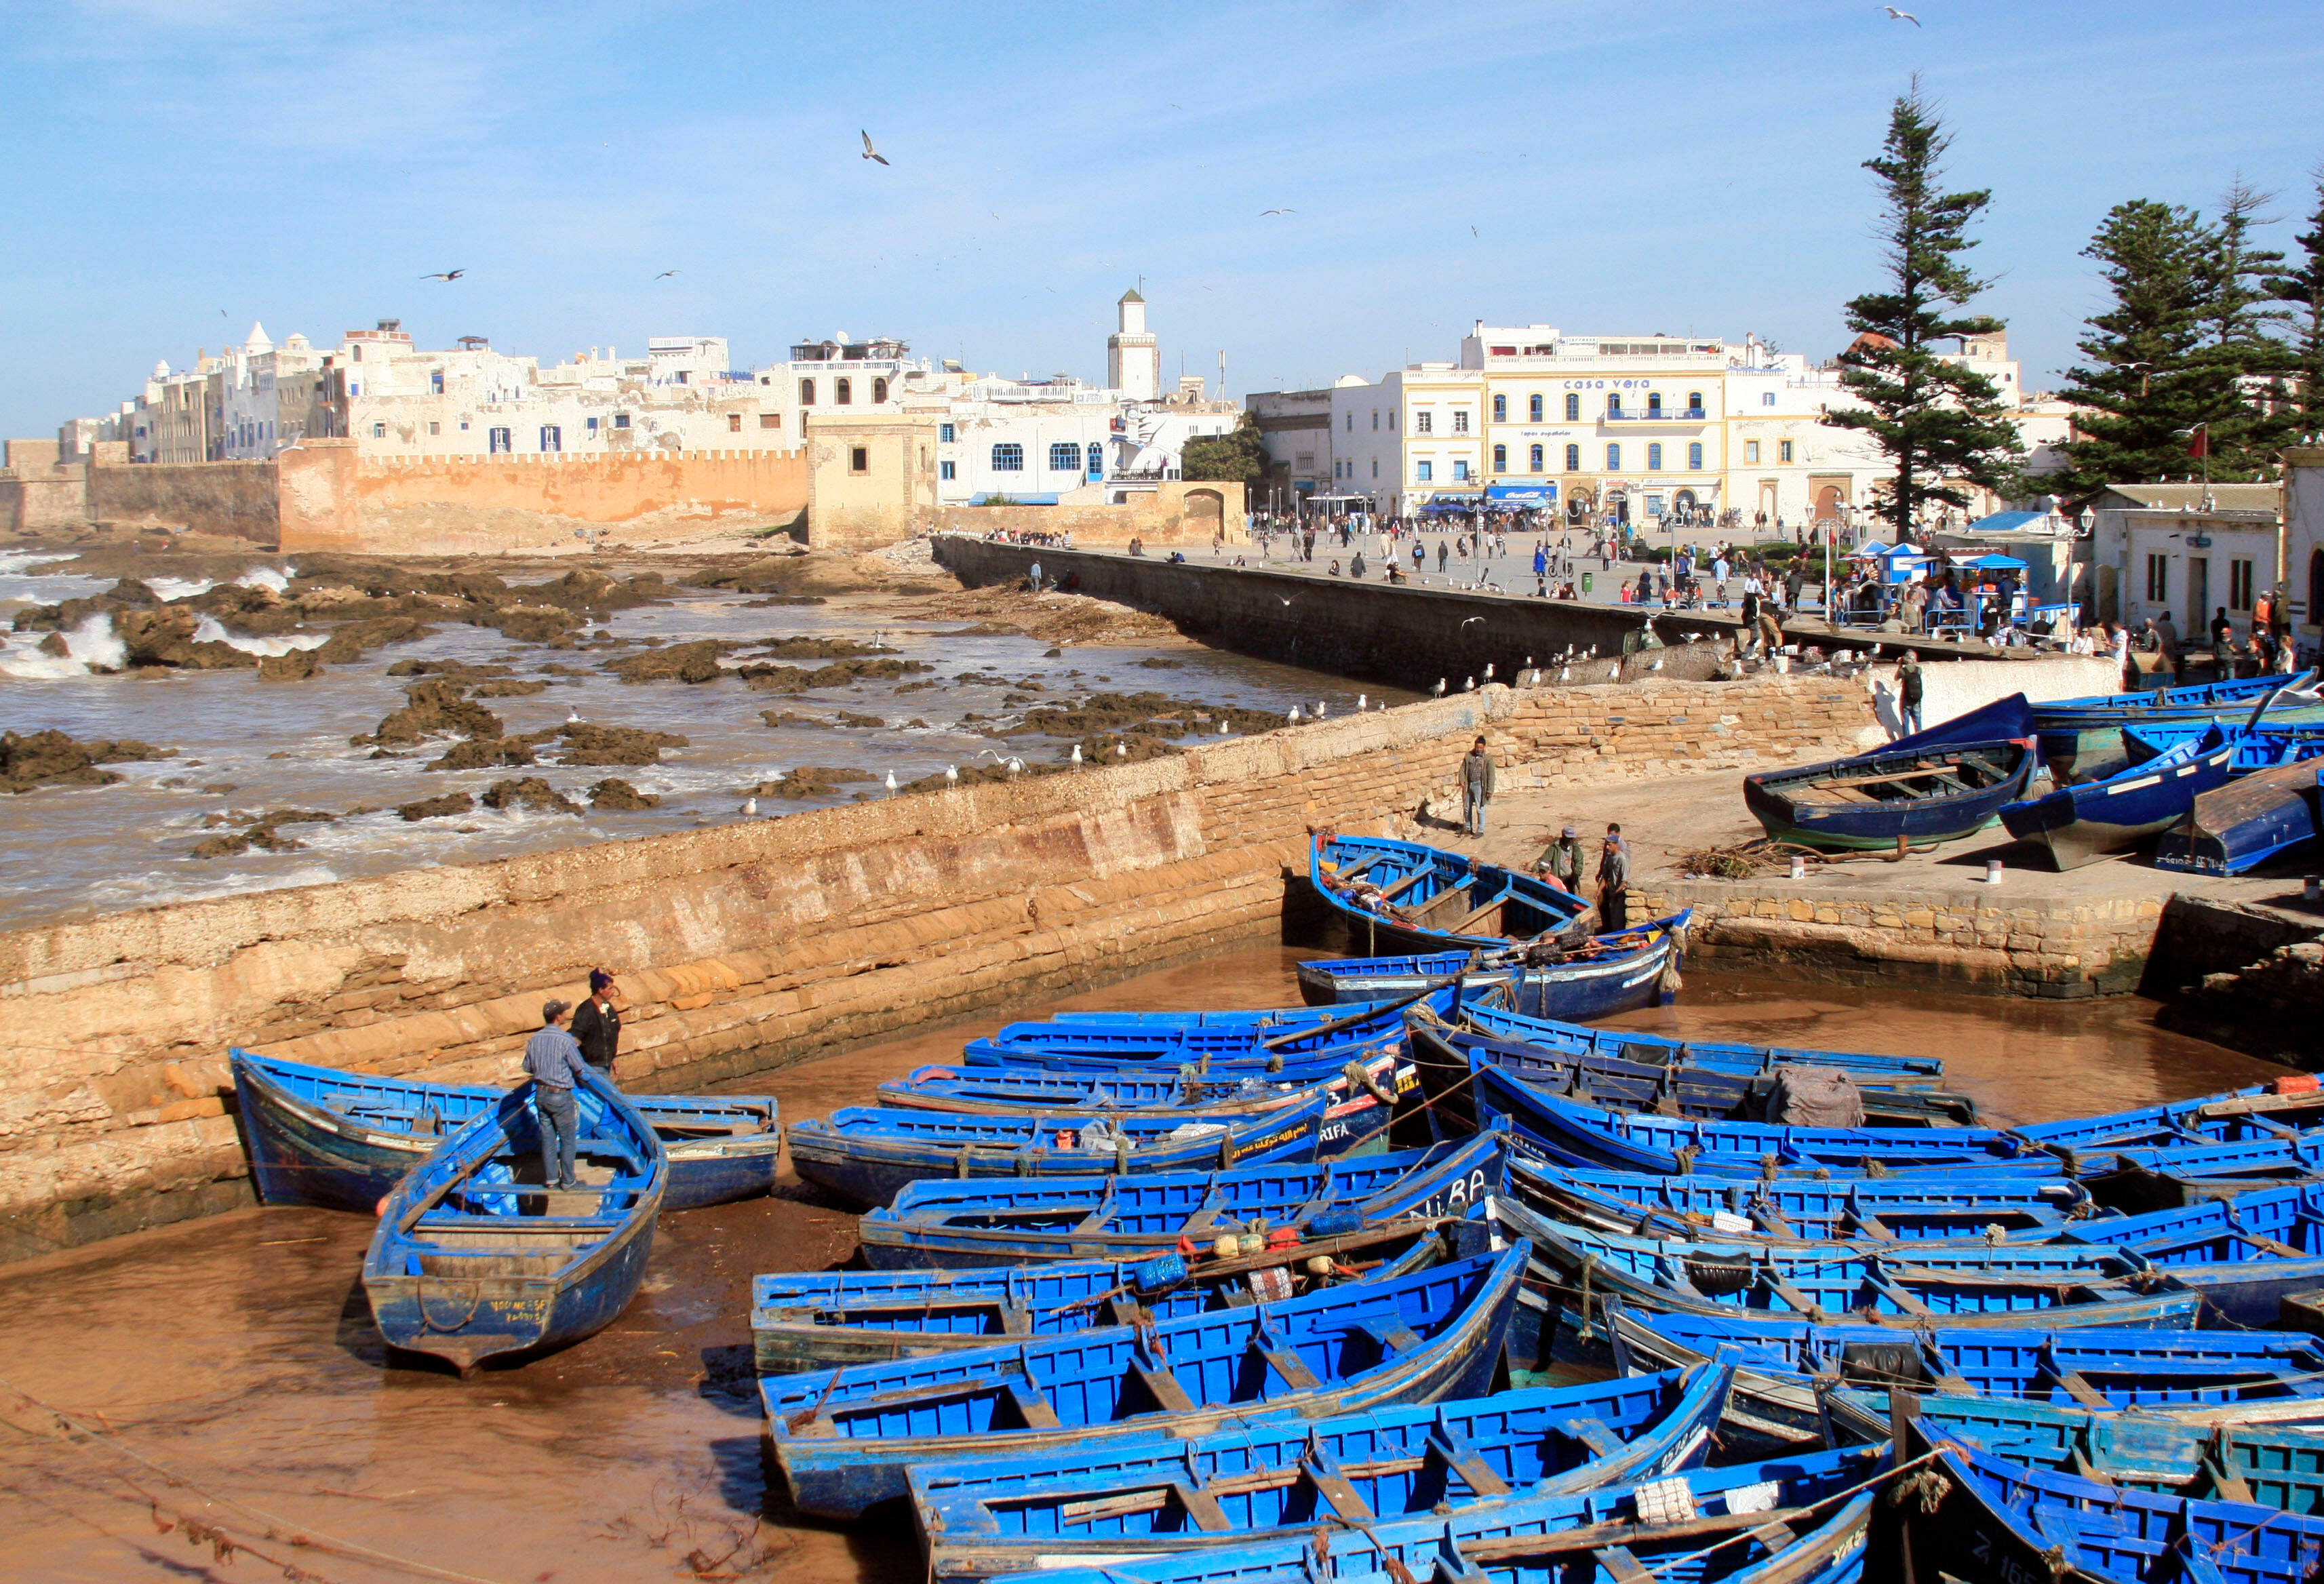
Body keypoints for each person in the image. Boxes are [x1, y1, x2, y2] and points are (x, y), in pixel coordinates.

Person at [525, 999, 590, 1191]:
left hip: (541, 1094)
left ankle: (551, 1179)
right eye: (564, 1012)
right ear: (558, 1017)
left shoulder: (534, 1039)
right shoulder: (565, 1040)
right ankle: (568, 1181)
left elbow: (527, 1067)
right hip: (559, 1095)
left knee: (548, 1138)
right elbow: (579, 1067)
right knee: (568, 1139)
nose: (566, 1015)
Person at [570, 969, 623, 1073]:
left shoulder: (608, 1008)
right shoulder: (586, 1010)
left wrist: (613, 1058)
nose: (613, 992)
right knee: (610, 1090)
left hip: (606, 1064)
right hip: (592, 1066)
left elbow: (613, 1033)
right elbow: (575, 1038)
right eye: (610, 988)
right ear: (600, 990)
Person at [1596, 823, 1630, 931]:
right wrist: (1599, 889)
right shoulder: (1610, 857)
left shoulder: (1622, 858)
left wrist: (1617, 893)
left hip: (1618, 893)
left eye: (1609, 845)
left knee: (1618, 918)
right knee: (1607, 910)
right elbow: (1606, 875)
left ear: (1616, 844)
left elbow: (1624, 880)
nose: (1607, 847)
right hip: (1611, 890)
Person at [1461, 735, 1495, 838]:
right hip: (1469, 784)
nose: (1478, 749)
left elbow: (1491, 775)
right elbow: (1463, 769)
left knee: (1480, 808)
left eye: (1480, 748)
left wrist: (1489, 790)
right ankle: (1468, 828)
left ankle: (1480, 830)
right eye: (1477, 747)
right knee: (1467, 807)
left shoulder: (1488, 759)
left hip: (1479, 786)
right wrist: (1462, 779)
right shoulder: (1469, 756)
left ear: (1484, 747)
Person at [1536, 825, 1584, 892]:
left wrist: (1577, 873)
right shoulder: (1555, 847)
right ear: (1563, 836)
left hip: (1570, 879)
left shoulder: (1575, 848)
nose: (1570, 840)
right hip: (1558, 878)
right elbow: (1544, 859)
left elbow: (1579, 861)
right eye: (1568, 838)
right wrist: (1535, 870)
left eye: (1571, 838)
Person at [1896, 650, 1925, 736]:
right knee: (1918, 720)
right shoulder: (1919, 670)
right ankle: (1920, 737)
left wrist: (1900, 665)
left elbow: (1896, 678)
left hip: (1906, 698)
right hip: (1916, 699)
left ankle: (1906, 739)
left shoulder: (1903, 671)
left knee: (1906, 722)